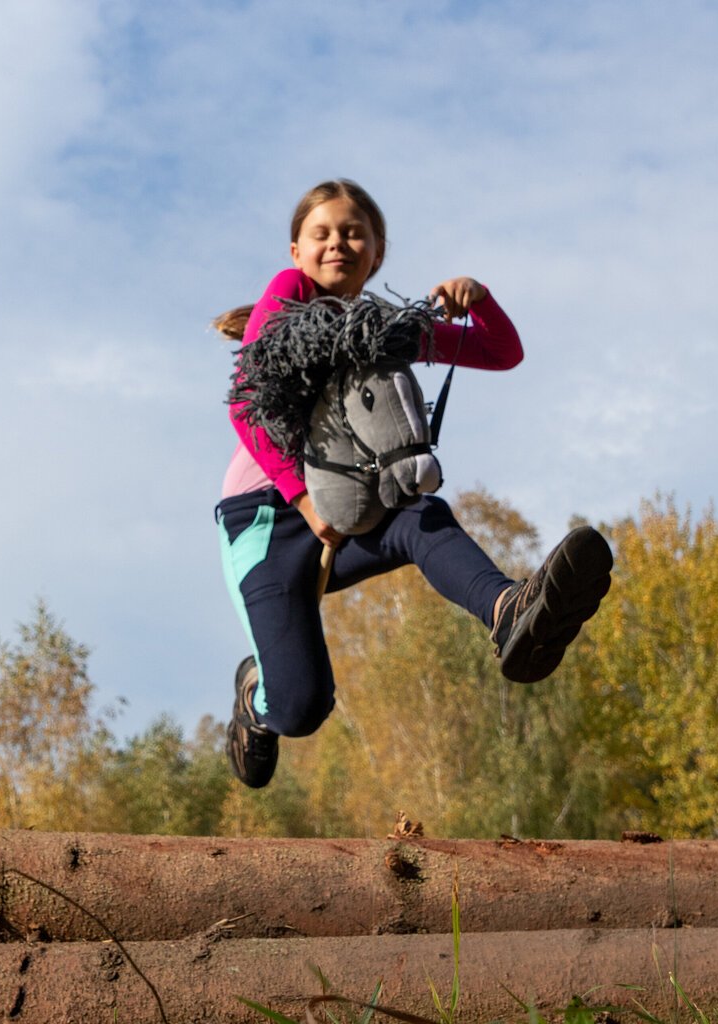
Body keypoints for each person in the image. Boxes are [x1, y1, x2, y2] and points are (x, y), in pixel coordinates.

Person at [216, 179, 612, 788]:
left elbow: (502, 352)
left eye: (354, 233)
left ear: (377, 252)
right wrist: (299, 494)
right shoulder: (288, 296)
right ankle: (256, 698)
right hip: (269, 515)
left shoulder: (385, 330)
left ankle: (507, 610)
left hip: (352, 503)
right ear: (295, 251)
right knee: (301, 707)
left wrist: (478, 298)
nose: (338, 243)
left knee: (421, 517)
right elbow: (245, 406)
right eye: (321, 233)